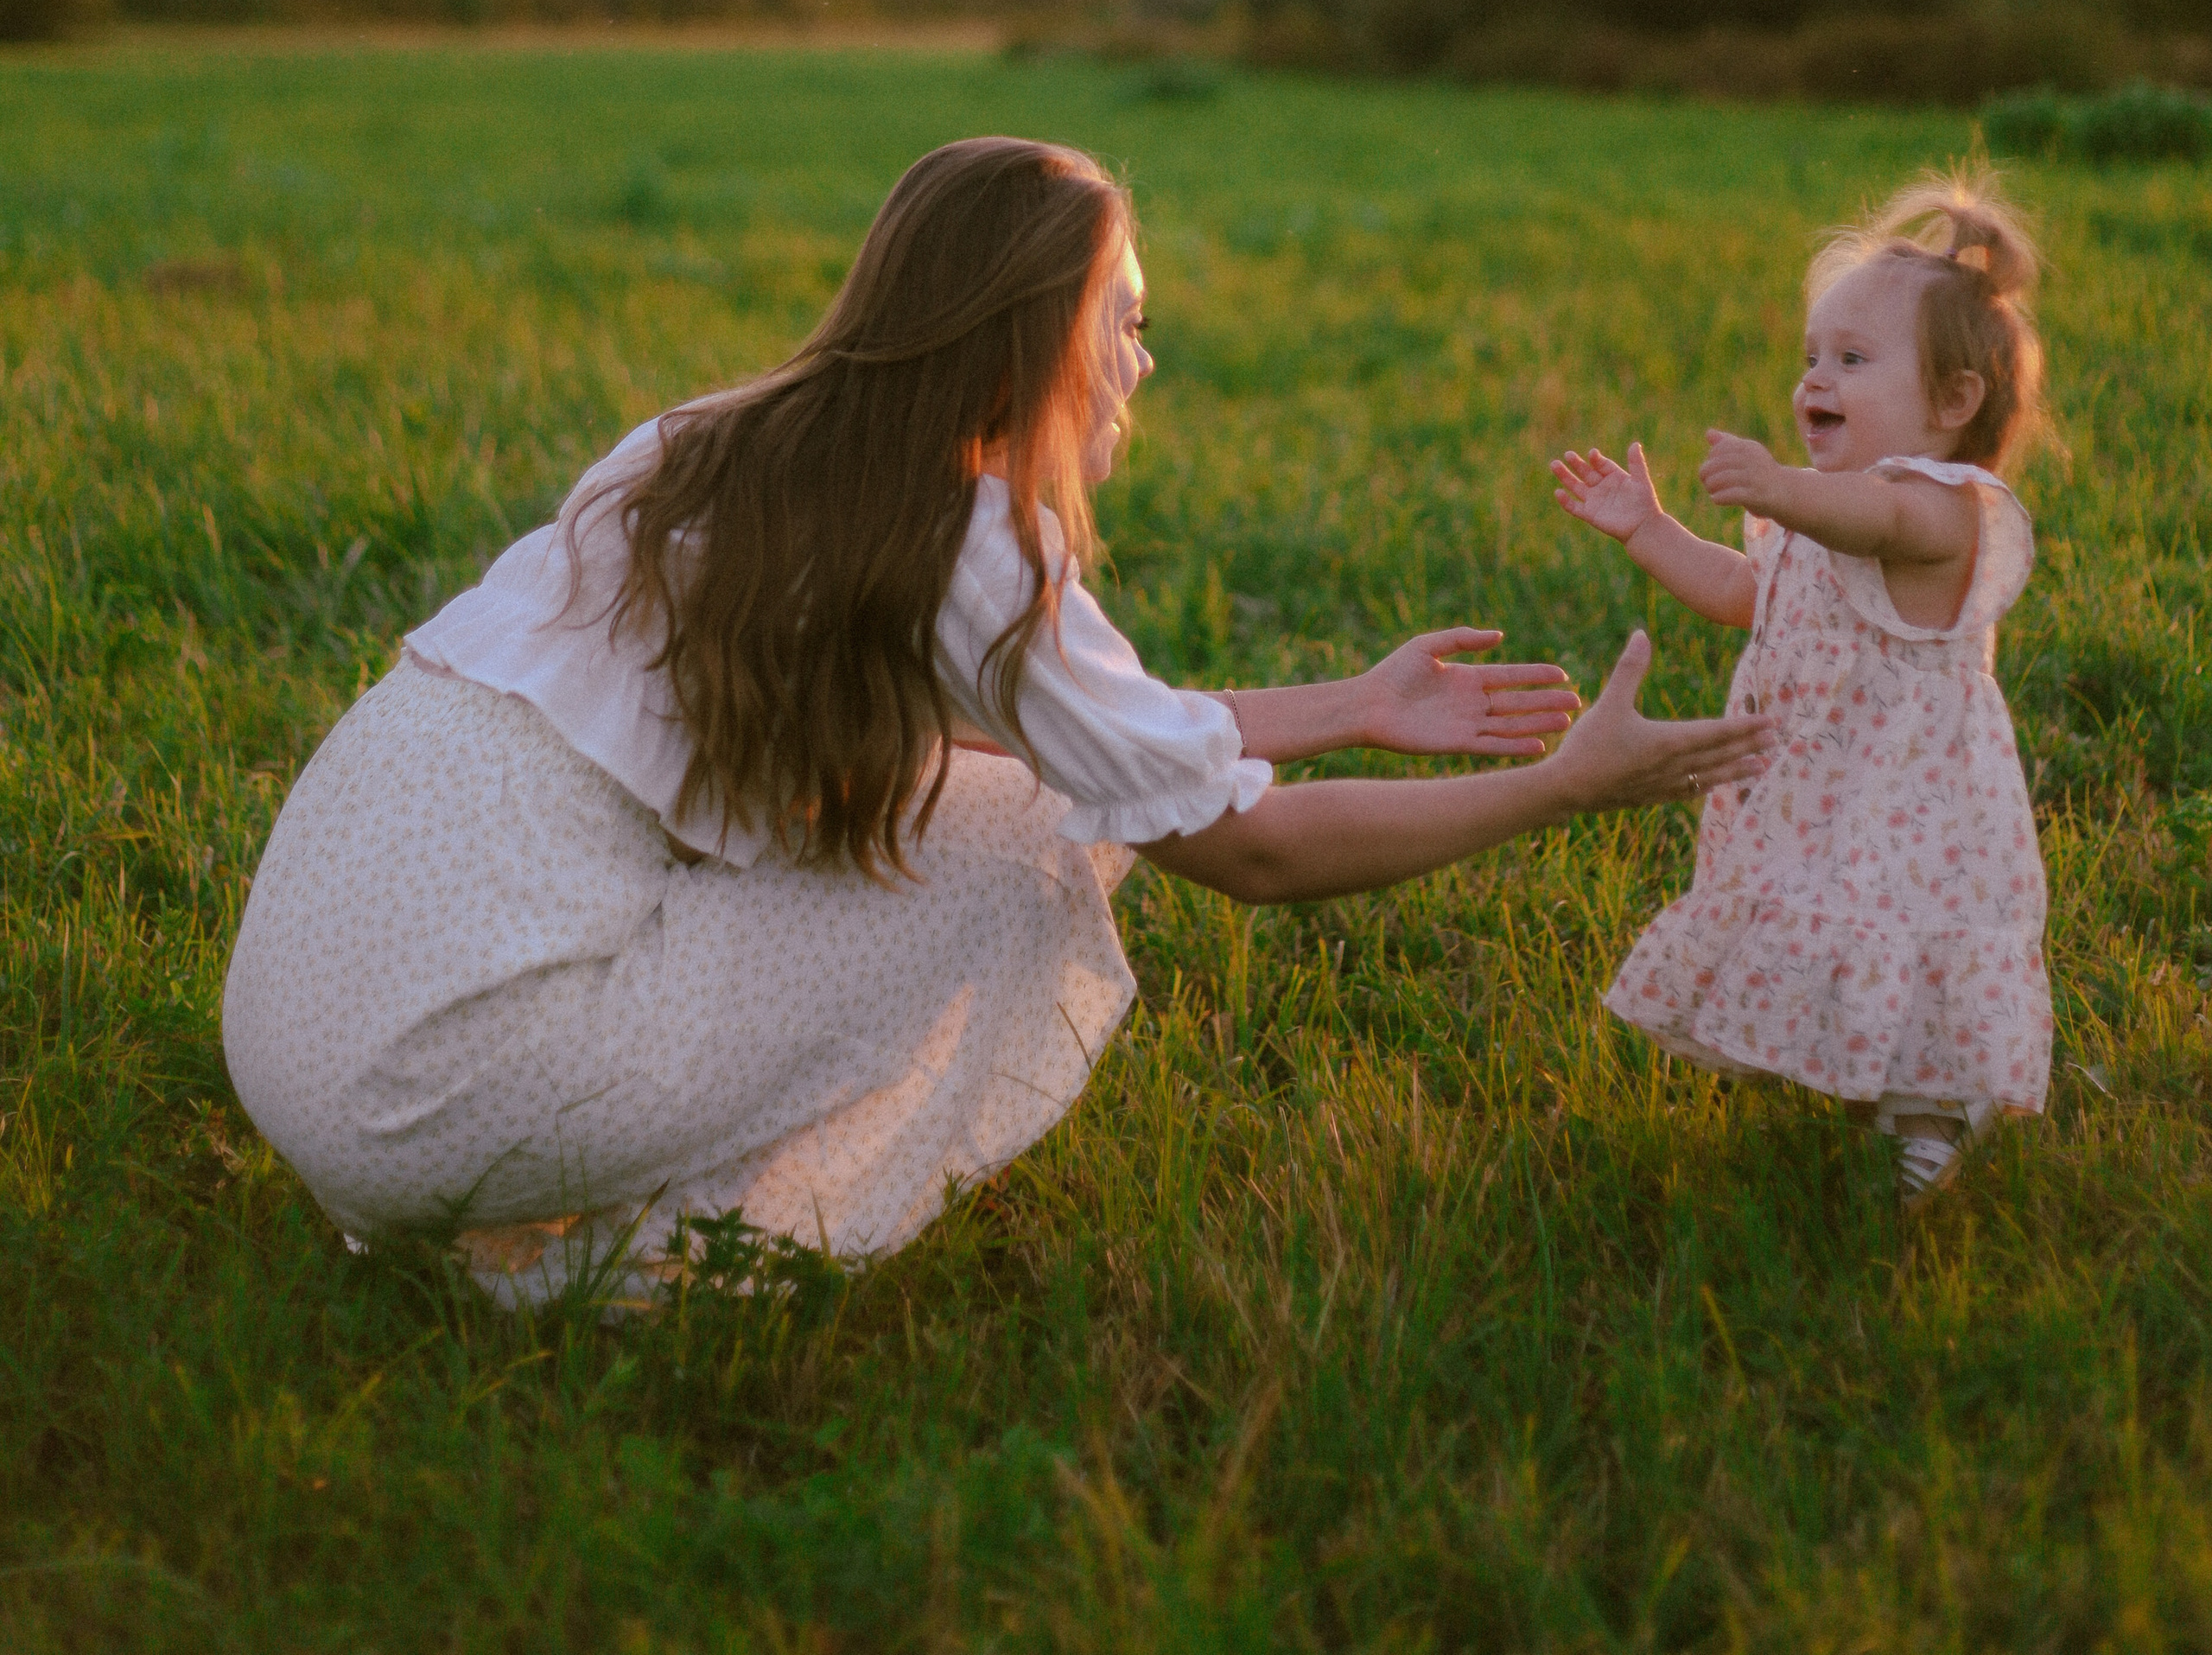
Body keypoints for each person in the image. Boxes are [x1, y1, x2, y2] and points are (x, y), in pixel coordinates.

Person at [224, 137, 1771, 1302]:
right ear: (1035, 332)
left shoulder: (698, 443)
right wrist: (1567, 789)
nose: (1141, 364)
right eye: (1127, 320)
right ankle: (597, 1273)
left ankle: (493, 1209)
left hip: (309, 1051)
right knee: (1032, 854)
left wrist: (1357, 704)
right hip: (444, 1084)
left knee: (997, 799)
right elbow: (1247, 853)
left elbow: (1051, 734)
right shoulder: (970, 540)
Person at [1551, 174, 2054, 1209]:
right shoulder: (1820, 516)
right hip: (1825, 785)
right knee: (1832, 919)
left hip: (1917, 800)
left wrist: (1782, 487)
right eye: (1810, 358)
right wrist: (1649, 530)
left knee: (1904, 934)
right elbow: (1749, 593)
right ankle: (1865, 1084)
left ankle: (1931, 1114)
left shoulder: (1945, 510)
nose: (1814, 379)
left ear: (1952, 403)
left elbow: (1878, 528)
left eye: (1852, 361)